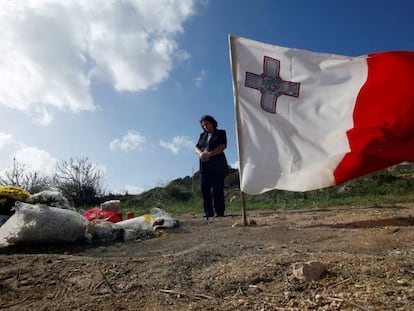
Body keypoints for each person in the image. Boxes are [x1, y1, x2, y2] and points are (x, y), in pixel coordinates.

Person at [195, 115, 228, 218]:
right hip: (204, 166)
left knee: (217, 189)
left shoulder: (221, 133)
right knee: (205, 189)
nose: (205, 126)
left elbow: (222, 146)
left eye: (207, 124)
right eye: (203, 125)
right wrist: (200, 154)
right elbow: (196, 147)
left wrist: (208, 154)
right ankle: (208, 212)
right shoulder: (202, 135)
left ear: (212, 122)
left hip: (217, 165)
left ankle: (219, 212)